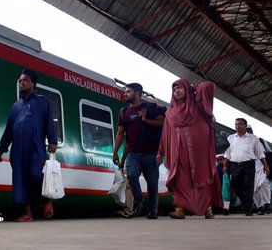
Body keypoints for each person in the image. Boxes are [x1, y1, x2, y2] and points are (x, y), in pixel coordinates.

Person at [0, 68, 58, 222]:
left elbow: (48, 121)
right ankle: (27, 214)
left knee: (34, 174)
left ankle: (45, 199)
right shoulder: (15, 107)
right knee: (20, 179)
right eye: (20, 81)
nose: (22, 83)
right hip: (17, 149)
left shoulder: (42, 102)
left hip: (35, 146)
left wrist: (52, 141)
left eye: (25, 80)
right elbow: (9, 129)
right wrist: (2, 149)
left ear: (33, 84)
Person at [157, 79, 223, 219]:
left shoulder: (199, 107)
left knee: (202, 177)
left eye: (180, 88)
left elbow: (209, 86)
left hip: (200, 151)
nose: (176, 91)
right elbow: (165, 134)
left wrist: (197, 88)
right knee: (180, 178)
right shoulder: (170, 113)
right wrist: (161, 151)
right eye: (174, 90)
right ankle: (180, 209)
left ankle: (208, 209)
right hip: (179, 152)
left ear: (188, 89)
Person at [112, 83, 164, 219]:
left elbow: (162, 123)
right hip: (133, 153)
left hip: (150, 153)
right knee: (132, 175)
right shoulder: (124, 112)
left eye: (128, 92)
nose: (125, 94)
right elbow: (120, 133)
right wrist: (115, 152)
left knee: (152, 184)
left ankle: (153, 211)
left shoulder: (151, 108)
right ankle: (140, 202)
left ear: (137, 93)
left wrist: (146, 120)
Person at [222, 118, 269, 216]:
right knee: (234, 184)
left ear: (245, 126)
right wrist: (225, 165)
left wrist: (265, 166)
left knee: (249, 186)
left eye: (240, 124)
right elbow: (228, 153)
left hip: (249, 164)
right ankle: (246, 203)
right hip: (235, 165)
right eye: (236, 124)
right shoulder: (231, 138)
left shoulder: (253, 138)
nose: (237, 126)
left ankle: (248, 209)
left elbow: (260, 153)